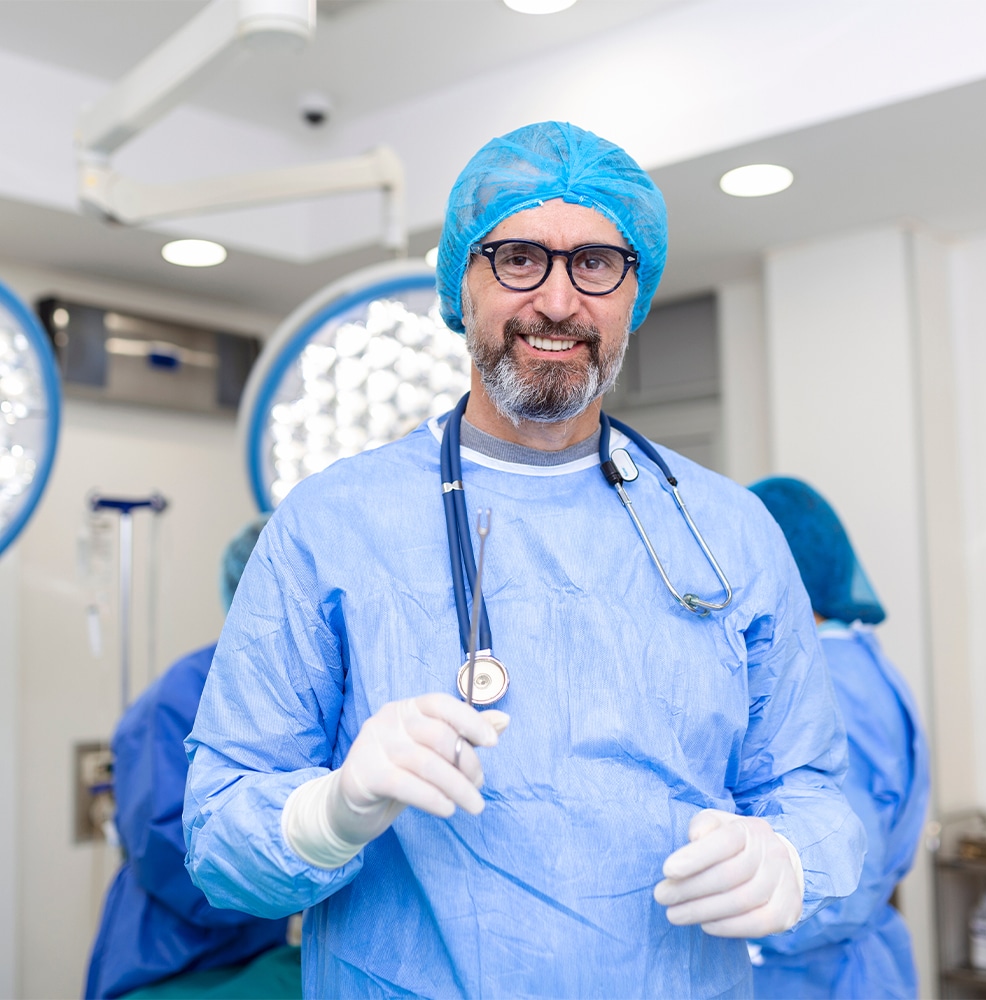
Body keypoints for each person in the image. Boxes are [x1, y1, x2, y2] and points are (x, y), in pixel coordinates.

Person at [184, 121, 865, 999]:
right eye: (517, 258)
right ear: (461, 284)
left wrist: (794, 860)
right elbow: (217, 837)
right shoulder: (330, 525)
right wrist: (330, 811)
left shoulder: (727, 531)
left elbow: (816, 793)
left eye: (596, 264)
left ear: (635, 292)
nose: (557, 301)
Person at [85, 516, 302, 1000]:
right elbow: (169, 853)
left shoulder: (292, 691)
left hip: (255, 951)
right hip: (170, 960)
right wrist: (301, 873)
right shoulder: (177, 698)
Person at [746, 477, 931, 999]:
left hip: (821, 972)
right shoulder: (856, 659)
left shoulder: (825, 678)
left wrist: (744, 934)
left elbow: (845, 873)